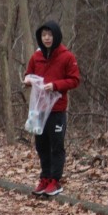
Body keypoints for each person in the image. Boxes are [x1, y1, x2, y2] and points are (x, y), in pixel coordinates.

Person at [24, 20, 80, 197]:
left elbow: (75, 80)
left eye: (50, 35)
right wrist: (28, 81)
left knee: (56, 145)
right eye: (44, 35)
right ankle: (45, 178)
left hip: (57, 109)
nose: (47, 38)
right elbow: (28, 74)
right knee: (41, 145)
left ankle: (55, 181)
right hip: (39, 108)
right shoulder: (36, 56)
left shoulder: (67, 57)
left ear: (56, 36)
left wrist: (55, 86)